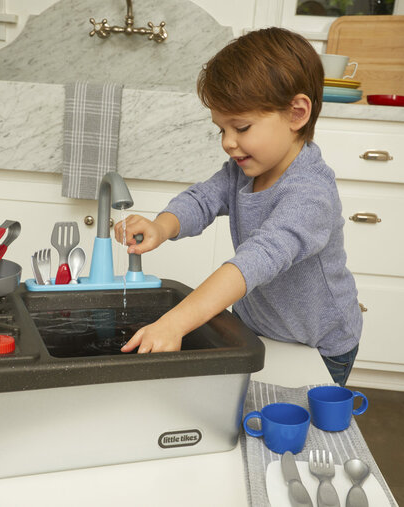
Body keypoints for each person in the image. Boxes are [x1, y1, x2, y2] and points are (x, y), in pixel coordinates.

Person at [113, 27, 363, 387]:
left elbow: (257, 258)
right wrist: (161, 226)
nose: (229, 143)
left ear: (296, 113)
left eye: (241, 127)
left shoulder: (310, 194)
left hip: (320, 344)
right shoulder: (243, 170)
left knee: (298, 424)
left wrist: (176, 322)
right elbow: (202, 198)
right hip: (258, 326)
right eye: (221, 130)